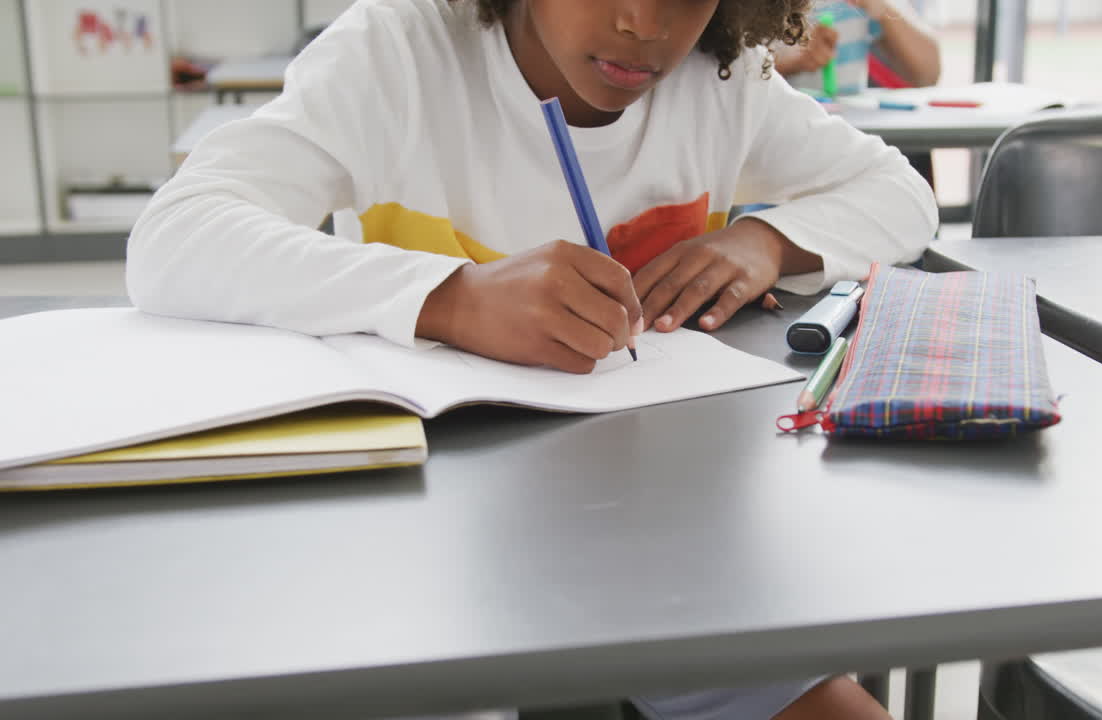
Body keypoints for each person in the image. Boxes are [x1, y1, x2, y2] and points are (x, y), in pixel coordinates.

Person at [128, 1, 936, 714]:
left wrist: (766, 240)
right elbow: (177, 235)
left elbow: (901, 195)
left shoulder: (722, 80)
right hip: (422, 555)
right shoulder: (399, 54)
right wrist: (453, 297)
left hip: (670, 559)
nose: (644, 23)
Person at [773, 0, 941, 88]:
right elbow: (748, 67)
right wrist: (793, 61)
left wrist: (884, 9)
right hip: (785, 126)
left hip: (853, 125)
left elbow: (927, 75)